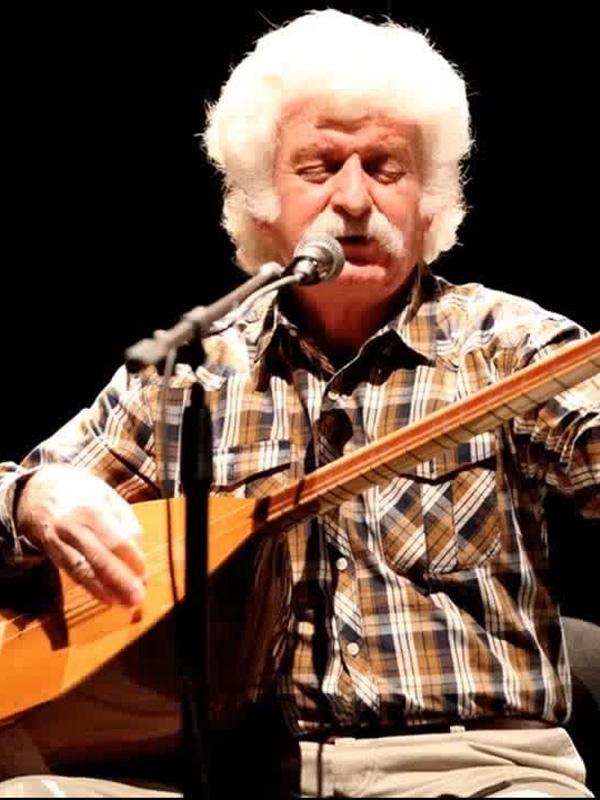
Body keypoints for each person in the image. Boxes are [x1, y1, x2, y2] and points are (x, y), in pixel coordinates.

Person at [0, 9, 598, 798]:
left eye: (385, 168)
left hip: (479, 769)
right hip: (246, 776)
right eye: (319, 168)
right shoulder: (195, 375)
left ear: (428, 201)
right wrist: (33, 498)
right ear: (261, 201)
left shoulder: (508, 347)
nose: (353, 200)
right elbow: (17, 489)